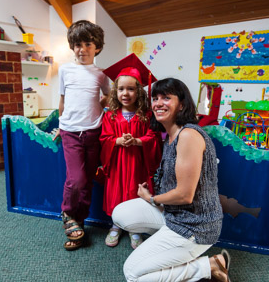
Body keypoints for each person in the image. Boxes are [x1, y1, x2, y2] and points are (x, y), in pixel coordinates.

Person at [112, 78, 231, 281]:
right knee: (120, 213)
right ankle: (170, 245)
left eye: (166, 98)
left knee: (132, 274)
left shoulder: (189, 135)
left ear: (182, 104)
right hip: (174, 214)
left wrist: (151, 199)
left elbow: (185, 195)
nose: (158, 103)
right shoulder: (170, 136)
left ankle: (209, 266)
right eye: (155, 98)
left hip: (196, 226)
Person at [53, 20, 110, 251]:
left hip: (93, 132)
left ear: (97, 47)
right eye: (77, 44)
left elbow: (108, 96)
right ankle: (67, 213)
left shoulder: (101, 74)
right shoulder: (65, 70)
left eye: (88, 44)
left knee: (87, 181)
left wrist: (98, 104)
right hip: (70, 133)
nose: (82, 49)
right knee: (75, 179)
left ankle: (80, 223)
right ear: (72, 46)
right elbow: (63, 101)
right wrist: (60, 124)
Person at [100, 53, 162, 249]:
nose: (125, 93)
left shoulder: (146, 115)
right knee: (118, 192)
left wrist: (137, 141)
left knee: (135, 192)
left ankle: (134, 228)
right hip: (118, 163)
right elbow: (104, 138)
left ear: (140, 92)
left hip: (137, 163)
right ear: (115, 91)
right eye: (120, 89)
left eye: (130, 89)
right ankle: (116, 225)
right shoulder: (110, 116)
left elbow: (153, 137)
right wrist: (117, 140)